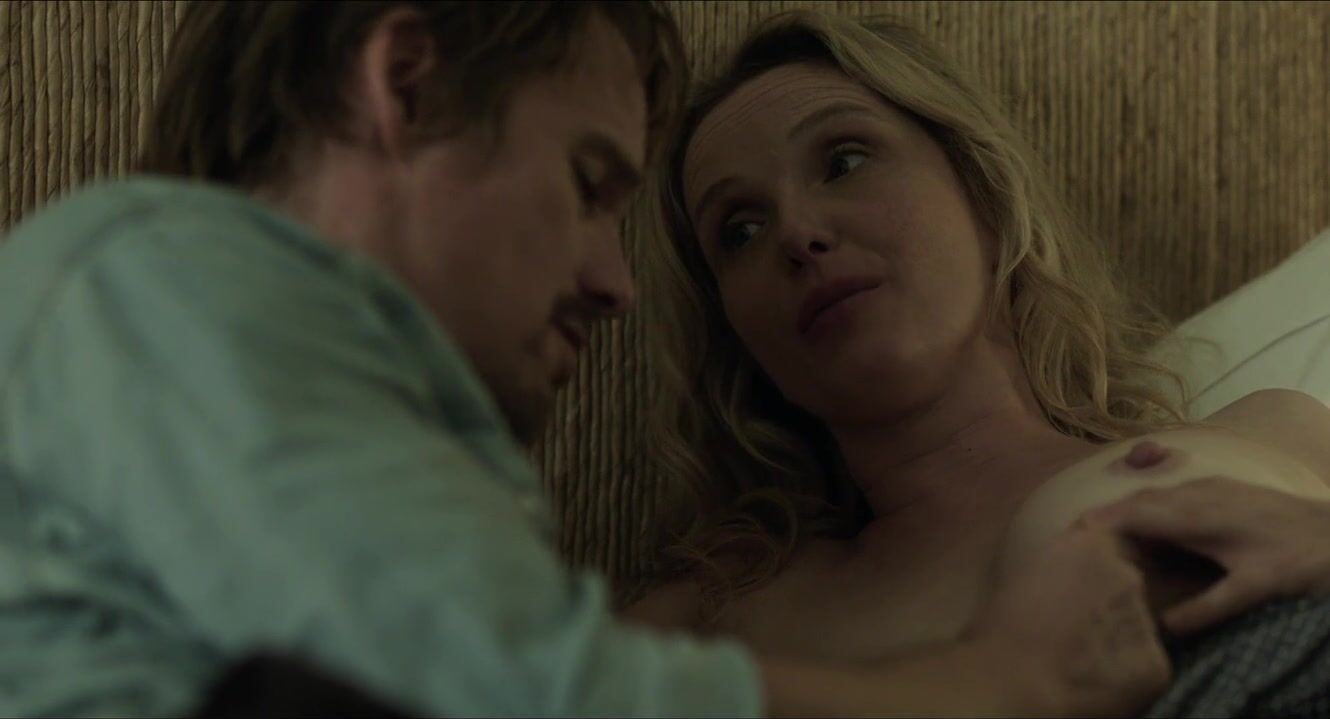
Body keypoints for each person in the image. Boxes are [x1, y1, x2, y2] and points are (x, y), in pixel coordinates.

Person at [0, 1, 1171, 716]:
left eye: (848, 162)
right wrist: (995, 683)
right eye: (587, 182)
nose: (617, 283)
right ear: (406, 84)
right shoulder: (158, 278)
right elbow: (513, 689)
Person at [628, 7, 1330, 661]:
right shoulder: (721, 620)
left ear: (984, 194)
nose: (797, 233)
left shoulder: (1278, 431)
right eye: (740, 230)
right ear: (738, 338)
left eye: (844, 162)